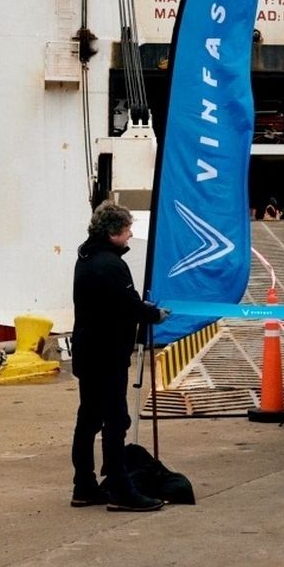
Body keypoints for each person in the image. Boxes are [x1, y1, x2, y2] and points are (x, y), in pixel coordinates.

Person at [70, 201, 171, 512]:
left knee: (88, 419)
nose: (130, 235)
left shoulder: (85, 257)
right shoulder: (111, 265)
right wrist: (155, 315)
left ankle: (84, 485)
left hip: (87, 350)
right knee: (116, 420)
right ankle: (120, 489)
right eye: (127, 230)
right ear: (113, 232)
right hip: (107, 354)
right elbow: (128, 305)